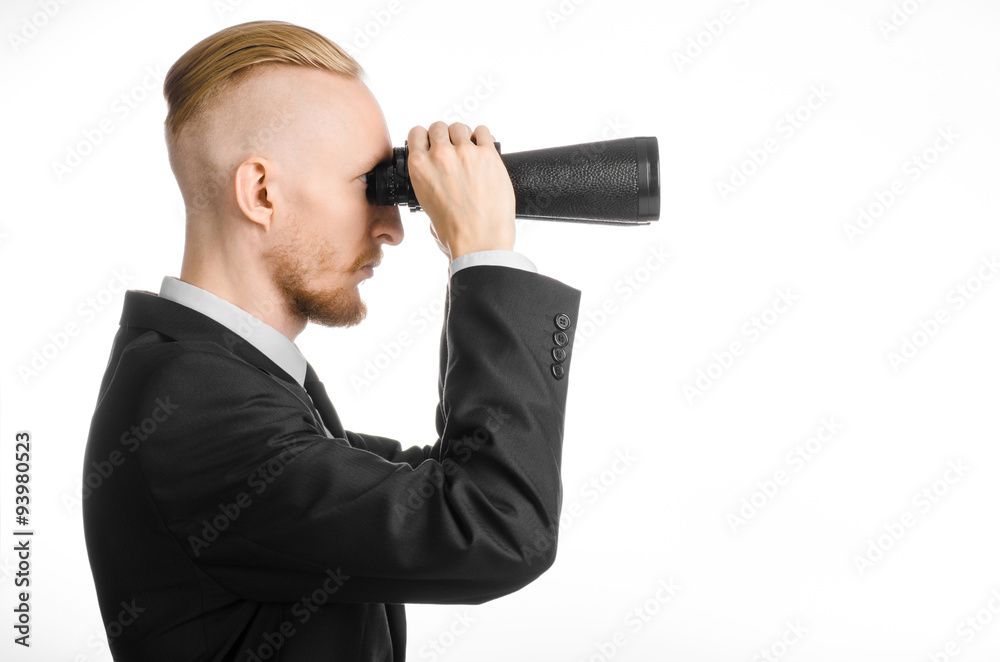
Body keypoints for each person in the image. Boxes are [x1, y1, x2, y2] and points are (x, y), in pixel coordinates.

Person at [82, 20, 581, 662]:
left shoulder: (216, 374)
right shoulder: (191, 406)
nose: (393, 228)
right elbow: (493, 525)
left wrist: (482, 248)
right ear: (261, 193)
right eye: (370, 186)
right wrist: (483, 257)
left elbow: (442, 485)